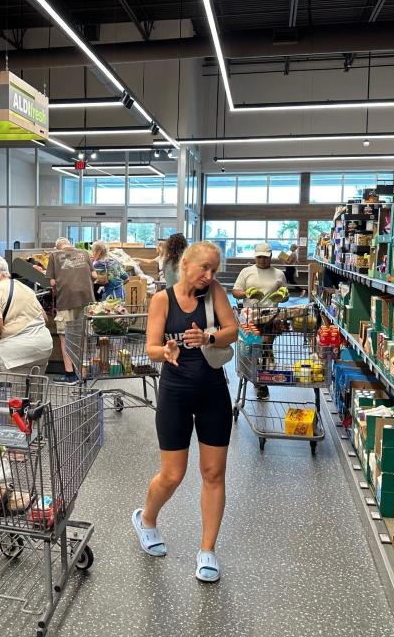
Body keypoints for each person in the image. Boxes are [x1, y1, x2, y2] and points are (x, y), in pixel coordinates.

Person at [133, 241, 239, 583]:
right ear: (185, 265)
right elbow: (149, 348)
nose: (209, 276)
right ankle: (146, 518)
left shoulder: (215, 294)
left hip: (213, 392)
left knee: (213, 473)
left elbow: (232, 331)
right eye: (204, 268)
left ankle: (207, 551)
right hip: (175, 393)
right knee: (172, 475)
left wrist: (208, 338)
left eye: (214, 270)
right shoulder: (162, 299)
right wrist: (165, 350)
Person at [0, 253, 52, 376]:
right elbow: (44, 318)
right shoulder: (25, 288)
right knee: (33, 392)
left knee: (12, 394)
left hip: (17, 354)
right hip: (43, 347)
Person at [45, 238, 94, 383]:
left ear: (57, 247)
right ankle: (84, 373)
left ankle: (70, 374)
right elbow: (95, 276)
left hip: (66, 300)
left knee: (65, 337)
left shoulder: (54, 255)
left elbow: (52, 282)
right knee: (83, 336)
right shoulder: (84, 253)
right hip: (86, 300)